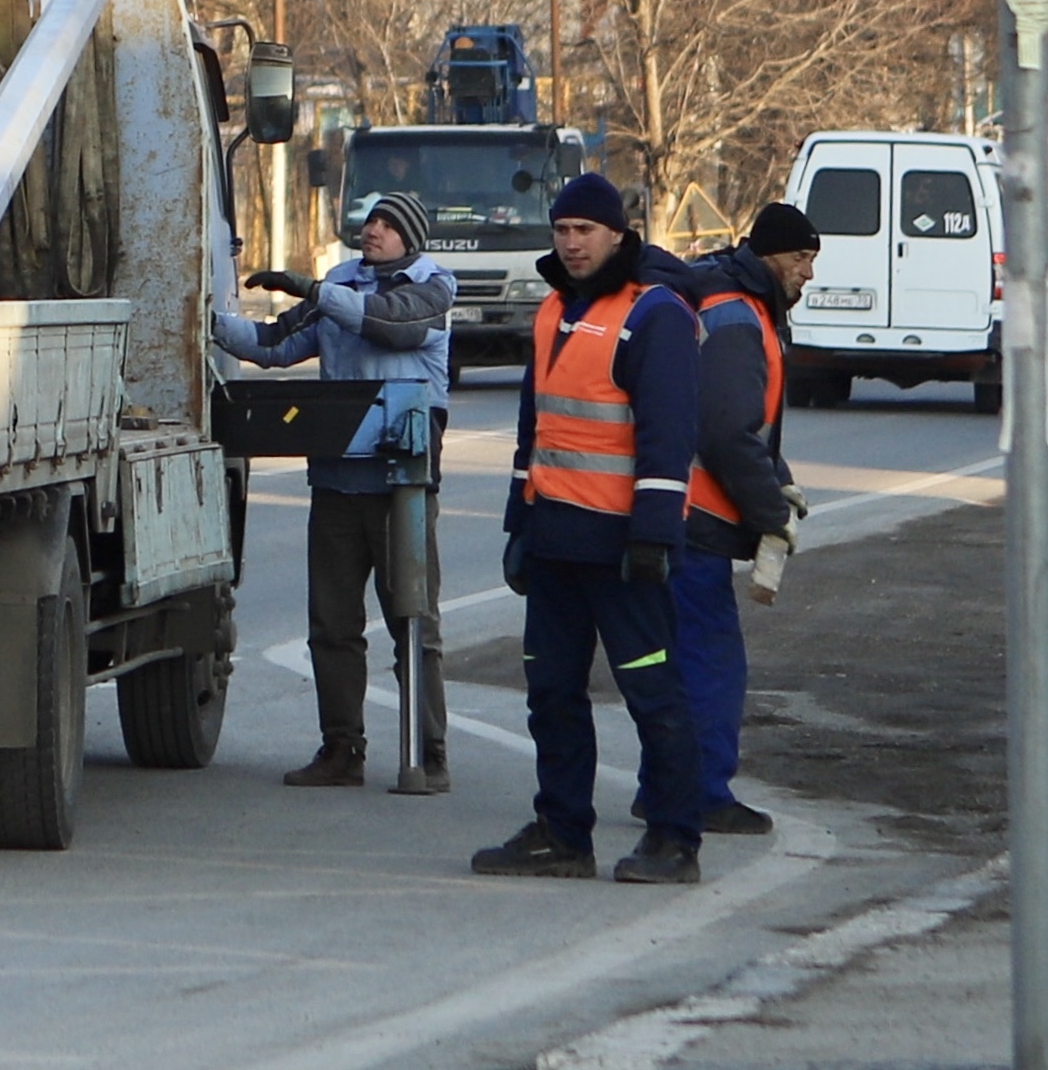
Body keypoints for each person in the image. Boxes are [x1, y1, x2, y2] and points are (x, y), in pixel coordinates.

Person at [473, 171, 708, 887]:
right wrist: (521, 522)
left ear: (616, 234)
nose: (572, 243)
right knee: (552, 693)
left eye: (585, 231)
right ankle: (562, 832)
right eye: (562, 229)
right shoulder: (552, 312)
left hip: (620, 547)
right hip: (555, 542)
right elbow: (535, 431)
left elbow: (668, 436)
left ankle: (674, 837)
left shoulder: (654, 314)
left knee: (653, 693)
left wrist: (653, 535)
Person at [217, 187, 459, 794]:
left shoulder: (433, 288)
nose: (372, 229)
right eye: (370, 220)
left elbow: (390, 324)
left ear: (411, 236)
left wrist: (316, 292)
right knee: (331, 622)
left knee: (413, 623)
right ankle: (341, 749)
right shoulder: (341, 283)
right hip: (336, 479)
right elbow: (274, 345)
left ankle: (428, 754)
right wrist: (204, 322)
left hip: (401, 485)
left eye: (386, 223)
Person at [663, 202, 816, 839]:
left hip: (671, 508)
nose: (808, 274)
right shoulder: (737, 314)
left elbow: (744, 424)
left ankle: (665, 789)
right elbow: (726, 430)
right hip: (693, 514)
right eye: (802, 259)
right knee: (711, 662)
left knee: (674, 661)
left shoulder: (731, 296)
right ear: (772, 254)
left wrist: (775, 476)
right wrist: (769, 511)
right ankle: (702, 794)